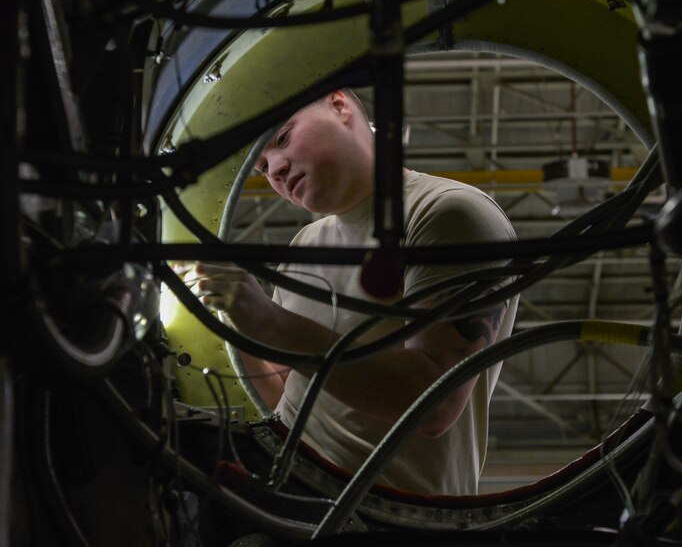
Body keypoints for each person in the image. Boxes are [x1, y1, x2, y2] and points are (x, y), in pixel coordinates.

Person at [191, 89, 519, 495]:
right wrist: (234, 317)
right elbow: (288, 394)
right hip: (291, 503)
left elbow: (433, 404)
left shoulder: (448, 212)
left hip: (392, 522)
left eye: (282, 139)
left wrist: (269, 322)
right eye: (261, 168)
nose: (274, 169)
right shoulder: (303, 246)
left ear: (340, 106)